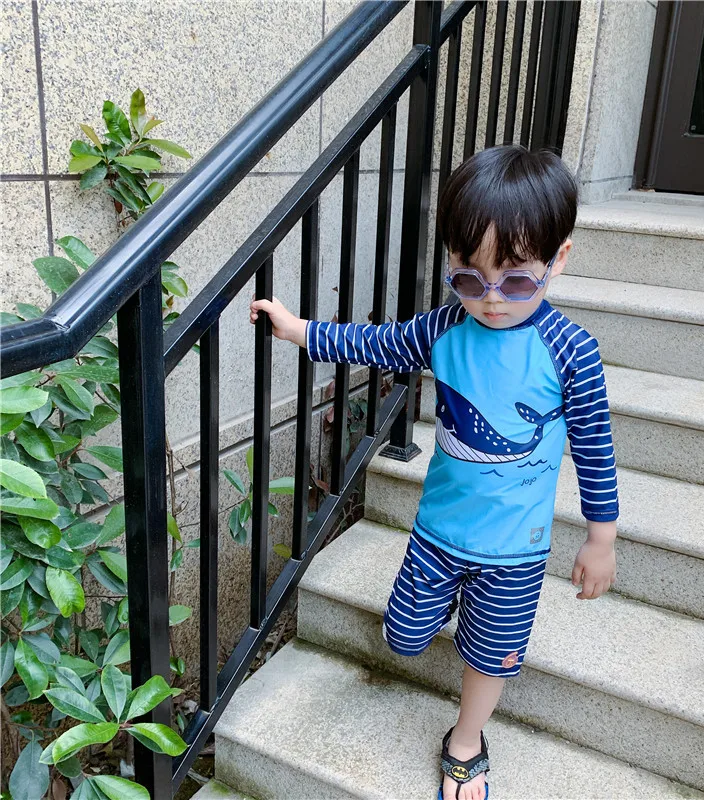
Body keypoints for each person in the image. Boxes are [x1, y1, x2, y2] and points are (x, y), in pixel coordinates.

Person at [250, 145, 619, 800]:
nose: (492, 300)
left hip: (516, 550)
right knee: (403, 637)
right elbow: (374, 343)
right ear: (451, 262)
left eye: (516, 280)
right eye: (470, 279)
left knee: (490, 655)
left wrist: (601, 539)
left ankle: (466, 741)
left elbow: (595, 449)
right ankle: (447, 605)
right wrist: (297, 330)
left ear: (558, 259)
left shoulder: (571, 352)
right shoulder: (445, 328)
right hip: (438, 533)